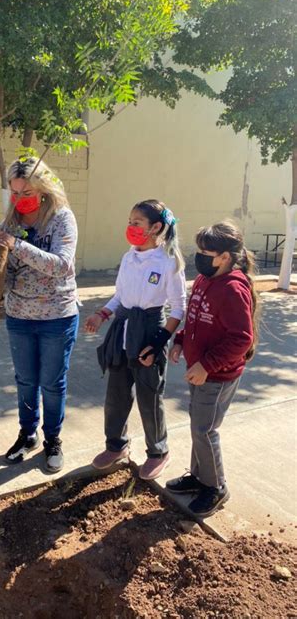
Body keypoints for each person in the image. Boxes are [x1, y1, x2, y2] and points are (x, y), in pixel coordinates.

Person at [85, 199, 186, 480]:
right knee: (116, 395)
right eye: (129, 222)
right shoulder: (129, 257)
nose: (130, 227)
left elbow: (178, 307)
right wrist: (102, 314)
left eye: (136, 223)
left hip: (150, 330)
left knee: (149, 396)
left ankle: (158, 451)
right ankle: (116, 445)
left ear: (156, 227)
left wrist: (158, 343)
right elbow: (120, 295)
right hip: (123, 329)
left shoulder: (168, 262)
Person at [0, 157, 79, 473]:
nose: (19, 198)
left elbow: (61, 266)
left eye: (25, 191)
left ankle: (52, 440)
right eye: (14, 192)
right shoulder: (10, 223)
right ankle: (27, 435)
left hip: (57, 316)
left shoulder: (61, 219)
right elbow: (7, 273)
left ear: (43, 188)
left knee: (52, 383)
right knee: (26, 381)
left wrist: (16, 246)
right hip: (19, 316)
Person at [166, 222, 257, 516]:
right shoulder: (206, 280)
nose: (200, 256)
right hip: (200, 370)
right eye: (200, 250)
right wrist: (180, 341)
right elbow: (194, 318)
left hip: (216, 376)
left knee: (205, 430)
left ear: (225, 257)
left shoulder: (232, 289)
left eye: (207, 252)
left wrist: (207, 365)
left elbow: (242, 339)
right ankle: (200, 476)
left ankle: (216, 487)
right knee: (198, 426)